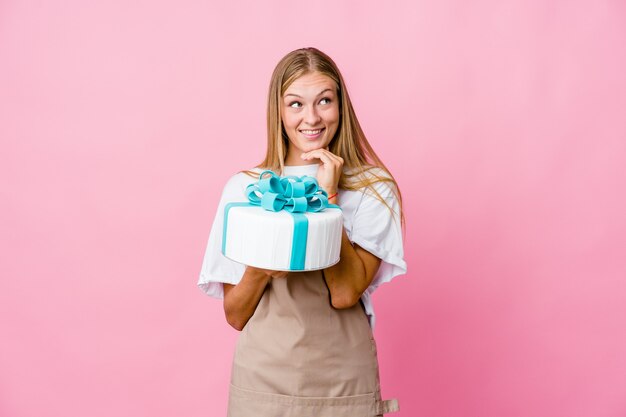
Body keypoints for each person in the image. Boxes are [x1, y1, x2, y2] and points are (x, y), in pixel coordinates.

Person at [198, 47, 407, 417]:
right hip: (263, 380)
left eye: (324, 100)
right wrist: (262, 268)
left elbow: (344, 293)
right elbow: (235, 314)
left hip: (343, 380)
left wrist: (328, 199)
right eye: (295, 104)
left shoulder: (373, 188)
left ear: (340, 106)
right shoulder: (245, 189)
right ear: (277, 111)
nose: (311, 117)